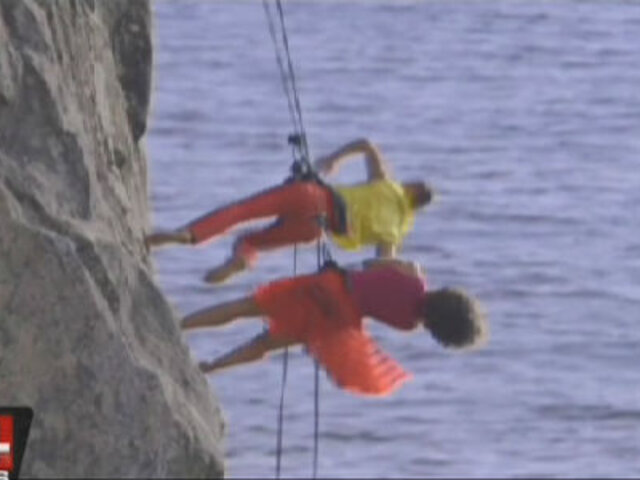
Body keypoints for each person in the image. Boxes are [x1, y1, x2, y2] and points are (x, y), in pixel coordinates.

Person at [181, 257, 488, 397]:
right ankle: (211, 367)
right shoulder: (408, 323)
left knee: (248, 307)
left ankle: (182, 324)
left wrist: (393, 264)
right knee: (266, 344)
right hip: (336, 318)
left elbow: (370, 266)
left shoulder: (413, 274)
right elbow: (379, 307)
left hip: (331, 285)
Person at [145, 138, 433, 284]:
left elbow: (367, 145)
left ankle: (188, 234)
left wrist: (333, 159)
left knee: (240, 211)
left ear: (409, 189)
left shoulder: (386, 185)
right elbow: (381, 263)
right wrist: (406, 270)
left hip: (311, 196)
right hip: (316, 229)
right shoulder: (393, 233)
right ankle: (242, 259)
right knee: (251, 241)